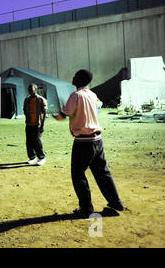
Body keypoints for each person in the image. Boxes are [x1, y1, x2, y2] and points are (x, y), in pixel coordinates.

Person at [54, 69, 126, 218]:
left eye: (75, 76)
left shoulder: (76, 95)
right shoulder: (92, 95)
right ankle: (116, 202)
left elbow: (62, 116)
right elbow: (95, 108)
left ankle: (86, 208)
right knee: (102, 173)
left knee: (78, 174)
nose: (72, 77)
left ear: (79, 80)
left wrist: (55, 114)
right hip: (97, 141)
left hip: (83, 142)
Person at [23, 84, 47, 166]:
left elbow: (44, 113)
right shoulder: (27, 100)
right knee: (28, 142)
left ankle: (41, 157)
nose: (30, 90)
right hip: (29, 124)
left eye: (31, 89)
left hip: (38, 124)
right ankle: (32, 157)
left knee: (37, 141)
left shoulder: (41, 99)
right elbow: (25, 111)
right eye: (29, 89)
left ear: (36, 89)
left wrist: (42, 125)